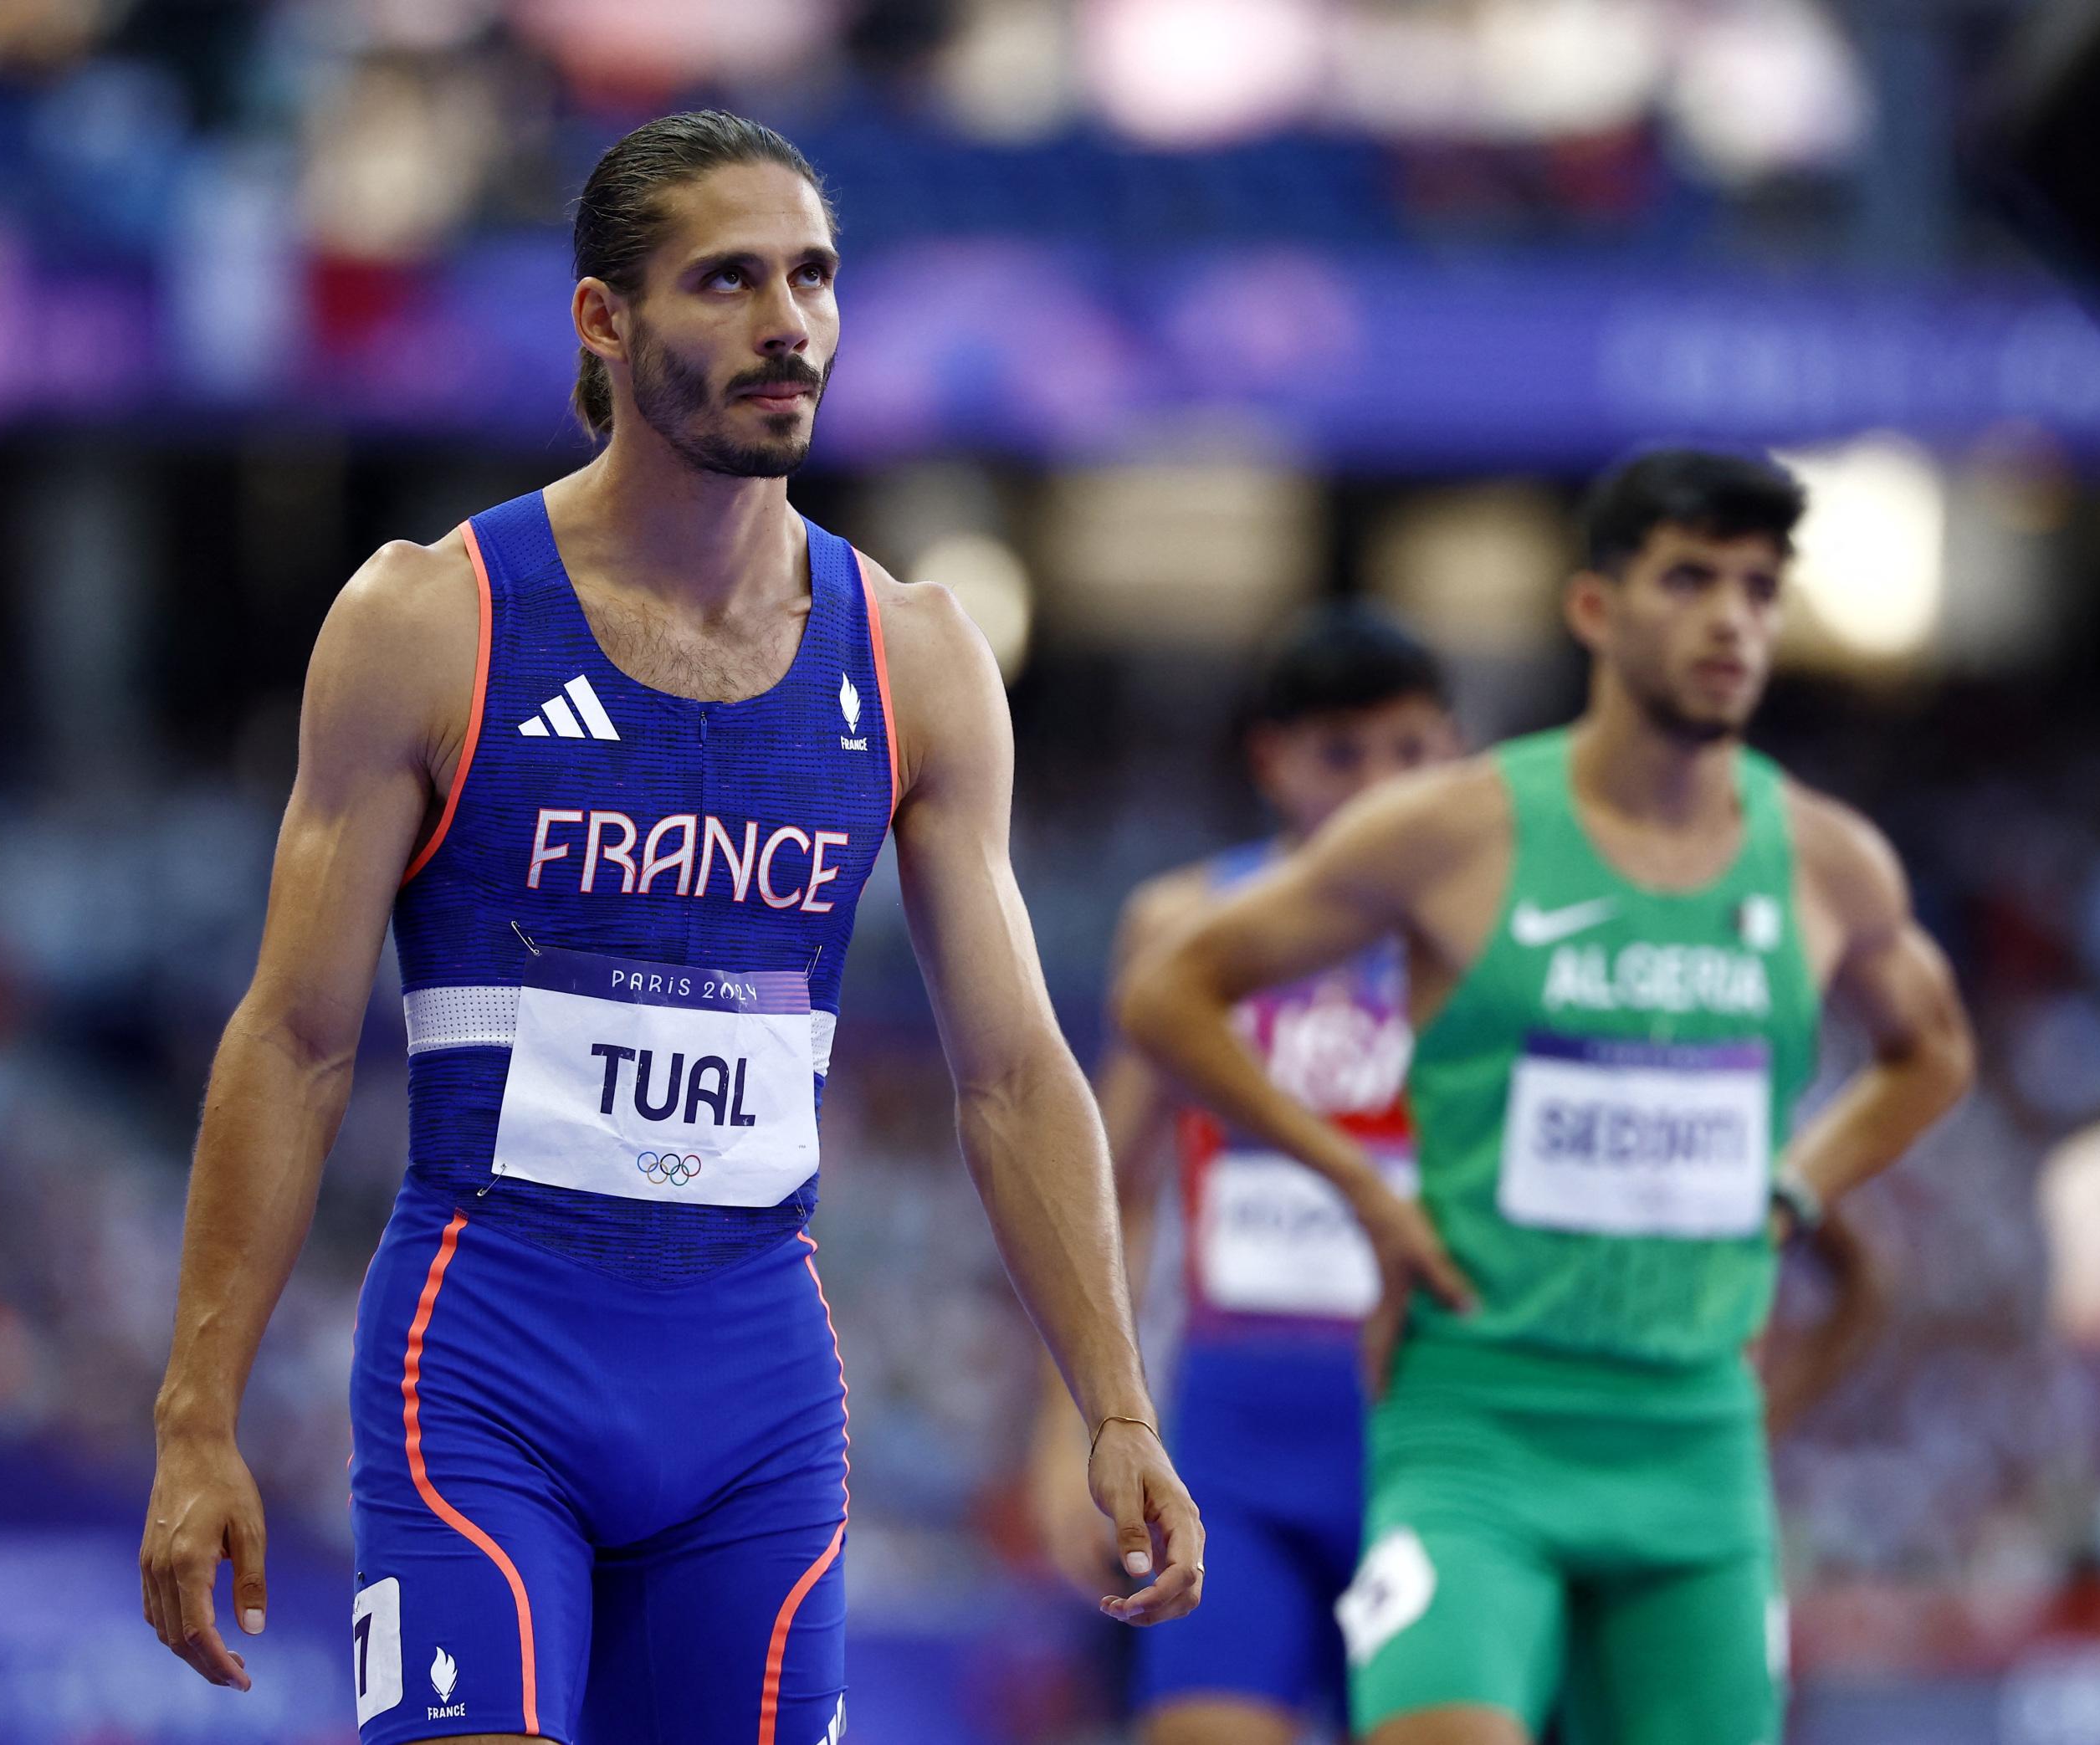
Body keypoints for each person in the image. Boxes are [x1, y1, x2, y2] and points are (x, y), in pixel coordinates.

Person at [137, 110, 1201, 1745]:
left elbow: (1010, 1073)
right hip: (484, 1364)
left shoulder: (916, 658)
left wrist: (1116, 1400)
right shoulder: (432, 621)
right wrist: (197, 1412)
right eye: (727, 280)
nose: (790, 322)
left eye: (815, 276)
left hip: (754, 1394)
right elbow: (291, 1035)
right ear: (604, 319)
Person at [1122, 448, 1975, 1745]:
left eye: (1759, 588)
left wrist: (1797, 1184)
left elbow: (1935, 1049)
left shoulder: (1824, 857)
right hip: (1474, 1433)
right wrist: (1359, 1188)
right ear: (1594, 608)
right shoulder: (1455, 831)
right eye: (1689, 579)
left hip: (1694, 1452)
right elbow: (1170, 991)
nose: (1730, 618)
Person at [1030, 607, 1458, 1745]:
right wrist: (1068, 1428)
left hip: (1429, 1434)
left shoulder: (1486, 938)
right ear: (1273, 760)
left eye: (1410, 752)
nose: (1378, 785)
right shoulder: (1189, 923)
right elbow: (1104, 1183)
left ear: (1455, 757)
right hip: (1235, 1438)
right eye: (1341, 753)